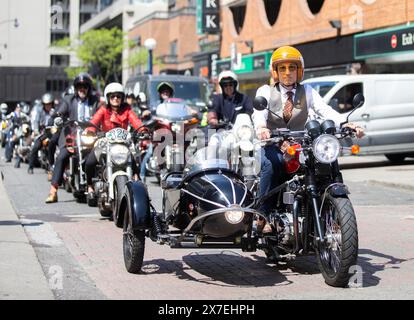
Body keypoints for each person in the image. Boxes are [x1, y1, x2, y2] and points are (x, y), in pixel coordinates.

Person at [253, 46, 364, 233]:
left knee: (322, 164)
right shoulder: (265, 91)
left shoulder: (308, 91)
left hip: (300, 144)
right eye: (282, 68)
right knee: (272, 165)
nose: (287, 73)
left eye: (292, 68)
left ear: (299, 71)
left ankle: (326, 211)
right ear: (276, 72)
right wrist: (262, 128)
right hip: (274, 143)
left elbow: (325, 110)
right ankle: (262, 215)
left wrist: (347, 123)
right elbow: (259, 113)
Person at [83, 82, 144, 206]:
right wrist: (90, 130)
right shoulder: (103, 109)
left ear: (122, 98)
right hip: (105, 141)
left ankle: (139, 188)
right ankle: (89, 186)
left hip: (123, 143)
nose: (115, 99)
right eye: (112, 96)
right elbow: (94, 121)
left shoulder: (127, 110)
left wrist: (143, 130)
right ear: (108, 98)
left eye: (118, 96)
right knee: (89, 162)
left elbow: (136, 121)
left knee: (134, 163)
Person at [45, 73, 100, 203]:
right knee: (62, 157)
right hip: (72, 136)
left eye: (85, 86)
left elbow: (101, 113)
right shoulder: (68, 100)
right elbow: (60, 112)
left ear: (89, 88)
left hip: (90, 136)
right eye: (79, 86)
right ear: (75, 88)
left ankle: (95, 186)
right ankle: (53, 191)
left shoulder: (95, 101)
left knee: (100, 155)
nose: (82, 89)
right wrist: (57, 117)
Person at [27, 93, 55, 174]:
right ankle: (30, 166)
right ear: (43, 104)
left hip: (53, 133)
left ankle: (52, 166)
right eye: (46, 104)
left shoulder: (54, 111)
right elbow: (36, 121)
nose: (48, 106)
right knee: (35, 147)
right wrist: (35, 130)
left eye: (49, 104)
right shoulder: (39, 111)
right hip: (42, 133)